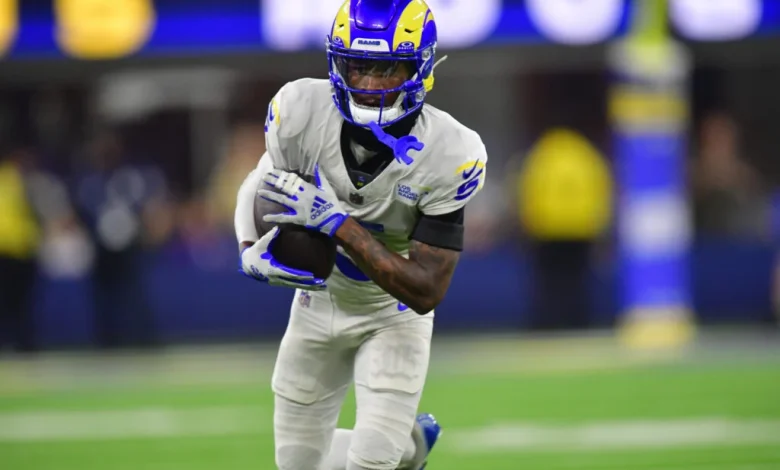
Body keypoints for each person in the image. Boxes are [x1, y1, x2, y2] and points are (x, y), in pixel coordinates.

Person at [233, 1, 488, 469]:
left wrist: (338, 224)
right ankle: (410, 447)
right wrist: (248, 246)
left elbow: (426, 290)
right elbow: (263, 179)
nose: (369, 85)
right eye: (359, 66)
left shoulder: (451, 151)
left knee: (370, 464)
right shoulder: (300, 110)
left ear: (420, 67)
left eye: (387, 69)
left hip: (392, 314)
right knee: (297, 465)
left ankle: (403, 447)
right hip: (319, 302)